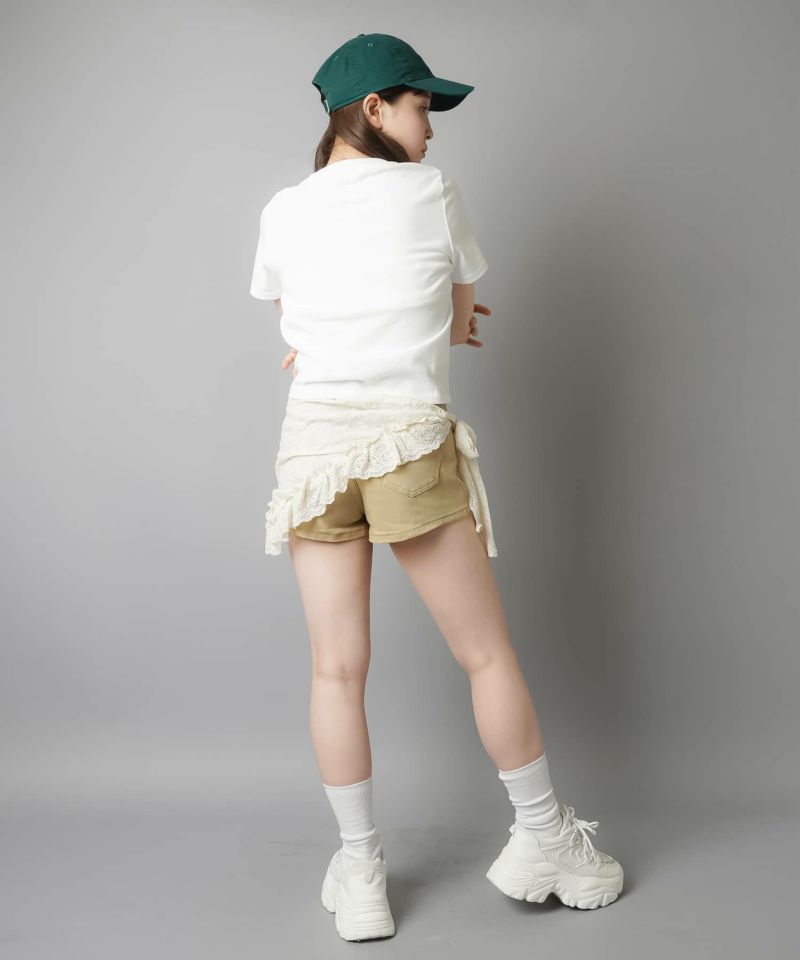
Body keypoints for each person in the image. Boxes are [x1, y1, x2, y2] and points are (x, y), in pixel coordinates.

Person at [249, 32, 623, 942]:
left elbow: (293, 322)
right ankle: (543, 840)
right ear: (373, 109)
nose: (432, 126)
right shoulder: (431, 193)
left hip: (312, 451)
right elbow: (459, 315)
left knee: (336, 668)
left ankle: (361, 873)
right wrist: (437, 322)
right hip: (406, 442)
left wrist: (349, 334)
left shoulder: (284, 209)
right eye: (422, 106)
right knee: (486, 655)